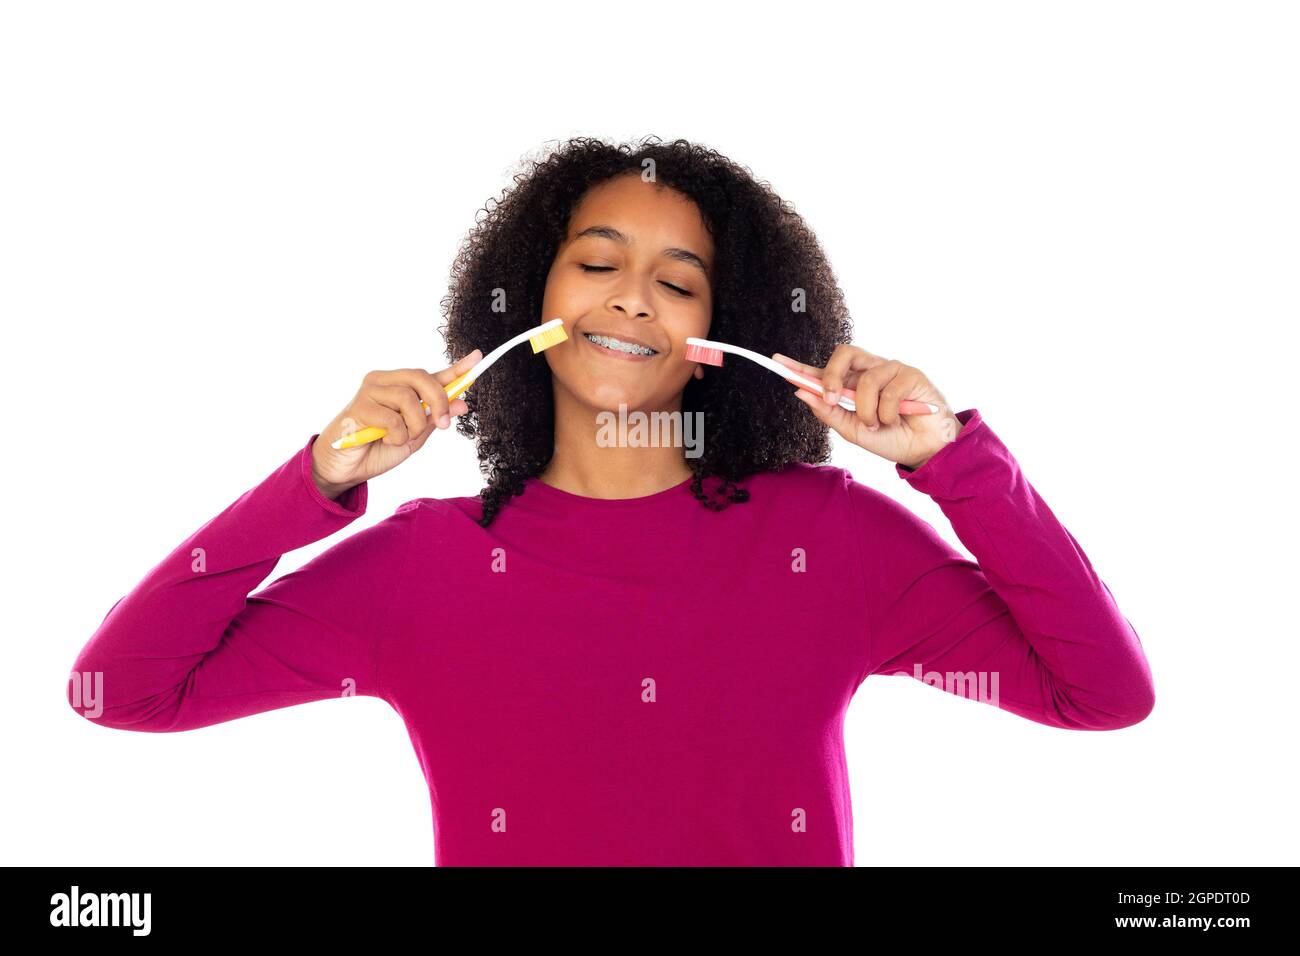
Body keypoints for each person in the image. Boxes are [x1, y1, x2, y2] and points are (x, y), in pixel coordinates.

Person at [67, 136, 1155, 866]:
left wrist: (953, 459)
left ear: (714, 341)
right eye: (597, 262)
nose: (632, 293)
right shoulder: (422, 563)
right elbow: (118, 688)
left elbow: (1101, 691)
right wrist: (311, 483)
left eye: (677, 281)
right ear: (534, 298)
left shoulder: (830, 536)